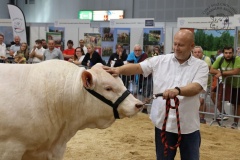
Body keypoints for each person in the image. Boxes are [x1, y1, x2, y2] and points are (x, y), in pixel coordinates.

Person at [103, 29, 209, 160]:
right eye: (175, 44)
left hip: (188, 127)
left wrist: (177, 90)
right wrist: (118, 69)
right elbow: (137, 68)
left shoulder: (201, 66)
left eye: (181, 45)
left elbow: (197, 87)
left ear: (192, 46)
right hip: (163, 125)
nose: (176, 48)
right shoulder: (160, 60)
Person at [210, 46, 240, 129]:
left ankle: (235, 122)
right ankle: (223, 113)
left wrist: (222, 73)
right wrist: (219, 72)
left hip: (237, 84)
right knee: (213, 95)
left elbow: (236, 71)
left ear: (233, 53)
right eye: (226, 53)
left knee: (236, 104)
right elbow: (212, 70)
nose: (228, 55)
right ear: (223, 53)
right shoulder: (220, 59)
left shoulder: (237, 59)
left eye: (230, 53)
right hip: (225, 83)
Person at [192, 46, 212, 124]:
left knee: (202, 100)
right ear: (192, 53)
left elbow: (204, 70)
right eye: (195, 52)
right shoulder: (191, 60)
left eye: (199, 52)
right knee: (194, 100)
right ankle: (195, 116)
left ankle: (202, 117)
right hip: (194, 84)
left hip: (205, 84)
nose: (197, 54)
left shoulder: (206, 59)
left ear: (202, 53)